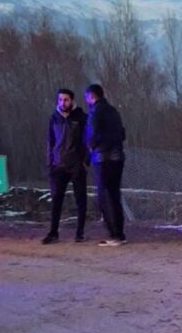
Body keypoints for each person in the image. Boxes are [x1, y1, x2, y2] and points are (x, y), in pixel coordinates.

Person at [43, 88, 89, 244]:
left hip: (77, 164)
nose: (63, 103)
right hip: (58, 165)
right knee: (56, 199)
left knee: (80, 199)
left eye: (66, 100)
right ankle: (53, 233)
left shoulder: (81, 117)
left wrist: (85, 161)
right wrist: (50, 162)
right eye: (60, 100)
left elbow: (88, 140)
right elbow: (50, 141)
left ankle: (80, 233)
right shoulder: (54, 118)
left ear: (72, 101)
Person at [84, 84, 128, 247]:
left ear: (91, 96)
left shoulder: (95, 111)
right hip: (118, 156)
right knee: (115, 195)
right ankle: (120, 233)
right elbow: (122, 133)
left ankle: (114, 234)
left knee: (104, 196)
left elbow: (92, 132)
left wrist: (90, 147)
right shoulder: (113, 111)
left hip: (102, 157)